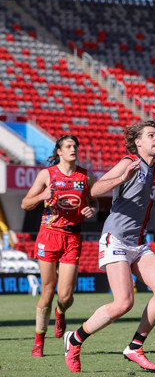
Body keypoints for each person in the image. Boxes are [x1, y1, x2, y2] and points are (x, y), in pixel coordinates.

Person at [63, 120, 155, 372]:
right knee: (123, 303)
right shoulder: (128, 163)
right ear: (138, 142)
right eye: (151, 135)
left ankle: (135, 347)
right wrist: (121, 178)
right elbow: (95, 188)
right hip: (115, 239)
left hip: (138, 244)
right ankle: (74, 339)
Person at [22, 134, 98, 358]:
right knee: (47, 290)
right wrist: (41, 196)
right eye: (68, 146)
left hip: (72, 238)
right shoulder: (46, 174)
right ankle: (39, 342)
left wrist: (92, 209)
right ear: (59, 152)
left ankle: (61, 312)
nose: (73, 149)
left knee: (65, 296)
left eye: (75, 145)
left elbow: (94, 202)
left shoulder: (87, 176)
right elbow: (25, 203)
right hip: (49, 235)